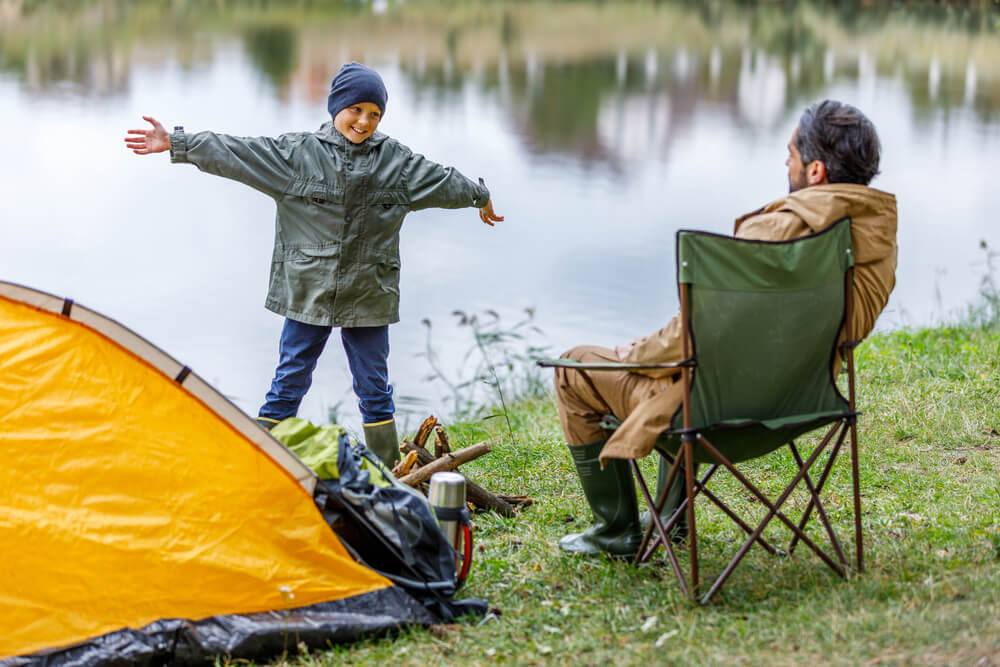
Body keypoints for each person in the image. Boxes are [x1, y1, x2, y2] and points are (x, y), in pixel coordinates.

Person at [552, 99, 897, 558]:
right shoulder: (876, 239)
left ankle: (615, 530)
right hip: (799, 404)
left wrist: (636, 354)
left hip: (711, 417)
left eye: (792, 153)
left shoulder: (778, 234)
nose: (786, 160)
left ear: (815, 172)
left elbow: (690, 338)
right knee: (691, 370)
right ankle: (669, 520)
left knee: (574, 366)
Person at [124, 62, 503, 468]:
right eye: (356, 109)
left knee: (375, 387)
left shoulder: (397, 163)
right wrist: (177, 143)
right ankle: (261, 463)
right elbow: (237, 152)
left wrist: (480, 195)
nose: (364, 121)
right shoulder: (296, 155)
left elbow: (444, 181)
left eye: (374, 114)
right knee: (289, 380)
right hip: (309, 291)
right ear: (336, 106)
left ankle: (392, 476)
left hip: (369, 294)